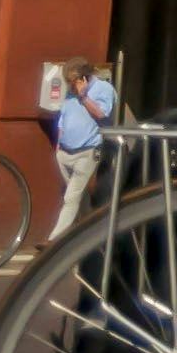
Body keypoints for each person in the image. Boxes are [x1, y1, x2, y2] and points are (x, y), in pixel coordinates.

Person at [43, 60, 119, 238]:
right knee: (79, 199)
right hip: (64, 152)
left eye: (73, 81)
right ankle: (88, 239)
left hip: (87, 150)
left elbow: (102, 114)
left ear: (84, 78)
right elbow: (64, 116)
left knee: (71, 197)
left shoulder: (103, 89)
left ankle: (54, 241)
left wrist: (84, 97)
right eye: (67, 82)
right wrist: (58, 144)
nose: (70, 85)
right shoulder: (70, 93)